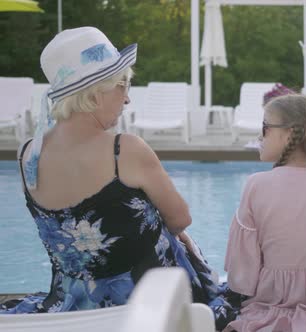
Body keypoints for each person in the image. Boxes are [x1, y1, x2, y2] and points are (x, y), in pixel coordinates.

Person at [0, 27, 236, 329]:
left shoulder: (25, 155)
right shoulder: (123, 150)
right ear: (96, 92)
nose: (127, 99)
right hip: (150, 306)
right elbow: (180, 219)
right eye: (122, 86)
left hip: (72, 310)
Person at [223, 94, 306, 332]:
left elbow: (241, 274)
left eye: (265, 127)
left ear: (288, 134)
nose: (259, 135)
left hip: (269, 305)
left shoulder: (256, 185)